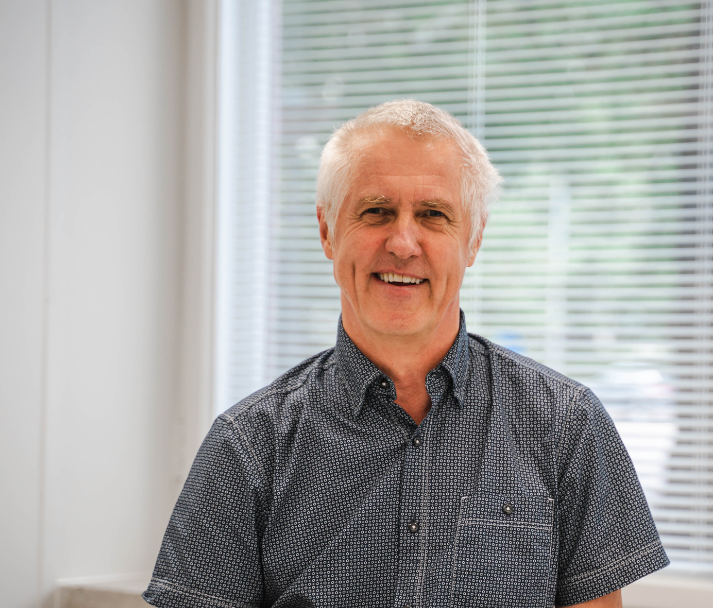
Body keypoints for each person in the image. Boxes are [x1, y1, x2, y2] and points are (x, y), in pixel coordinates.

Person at [143, 99, 668, 608]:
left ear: (474, 239)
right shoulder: (247, 446)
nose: (402, 243)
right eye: (376, 211)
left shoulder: (566, 425)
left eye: (433, 214)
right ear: (327, 231)